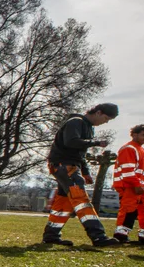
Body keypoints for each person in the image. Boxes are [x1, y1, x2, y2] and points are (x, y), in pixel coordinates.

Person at [42, 103, 121, 247]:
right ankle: (98, 237)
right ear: (98, 112)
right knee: (80, 199)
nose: (105, 122)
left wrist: (85, 172)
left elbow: (80, 153)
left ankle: (51, 235)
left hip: (66, 165)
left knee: (64, 201)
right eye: (106, 118)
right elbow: (71, 142)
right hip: (65, 165)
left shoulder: (87, 127)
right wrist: (96, 142)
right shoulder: (76, 122)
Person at [112, 123, 144, 244]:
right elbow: (127, 170)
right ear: (134, 134)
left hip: (139, 186)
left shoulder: (140, 149)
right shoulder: (129, 148)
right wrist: (137, 185)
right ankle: (121, 236)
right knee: (129, 211)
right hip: (130, 186)